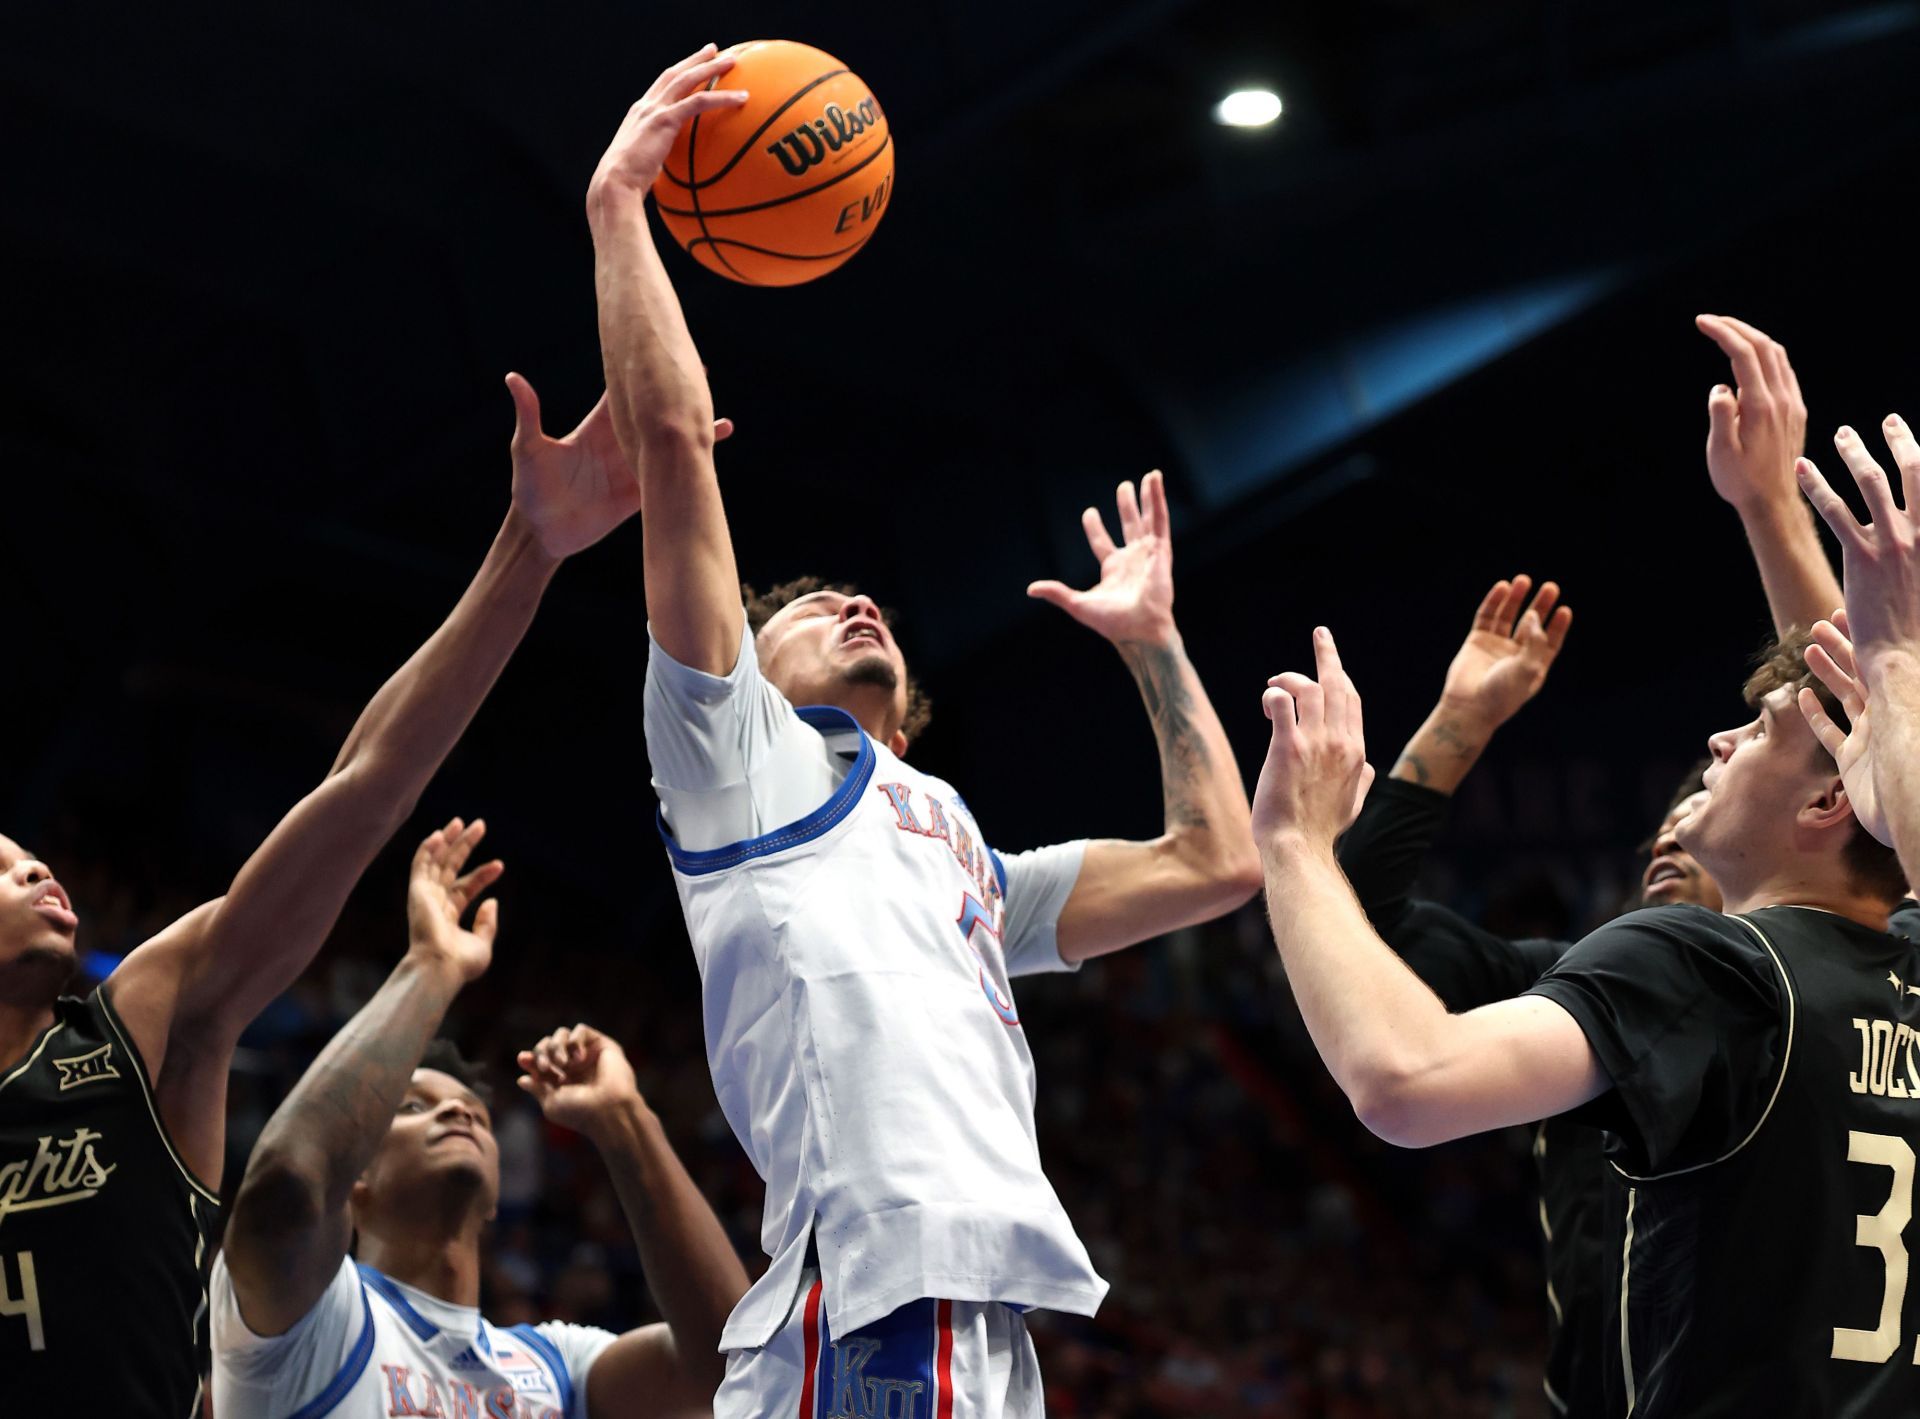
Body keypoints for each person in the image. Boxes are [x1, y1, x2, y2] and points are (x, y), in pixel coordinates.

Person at [586, 45, 1265, 1417]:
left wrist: (1153, 646)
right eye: (802, 608)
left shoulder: (949, 839)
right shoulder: (746, 767)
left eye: (862, 597)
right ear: (748, 681)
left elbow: (1216, 862)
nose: (851, 597)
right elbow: (673, 441)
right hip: (886, 1275)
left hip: (950, 1301)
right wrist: (619, 207)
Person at [0, 377, 645, 1417]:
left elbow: (363, 791)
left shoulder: (137, 1034)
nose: (34, 869)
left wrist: (530, 552)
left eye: (33, 854)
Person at [1254, 610, 1916, 1415]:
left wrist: (1292, 838)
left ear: (1831, 799)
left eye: (1757, 726)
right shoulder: (1903, 963)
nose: (1718, 741)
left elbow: (1405, 1077)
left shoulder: (1709, 964)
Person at [211, 820, 748, 1418]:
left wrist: (625, 1120)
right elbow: (287, 1185)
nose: (457, 1110)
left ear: (496, 1197)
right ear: (354, 1175)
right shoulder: (314, 1317)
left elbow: (734, 1364)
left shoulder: (553, 1367)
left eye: (474, 1112)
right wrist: (433, 965)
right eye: (414, 1106)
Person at [1338, 573, 1718, 1417]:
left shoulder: (1803, 988)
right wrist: (1460, 723)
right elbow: (1353, 929)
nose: (1667, 834)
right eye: (1663, 821)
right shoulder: (1586, 983)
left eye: (1699, 818)